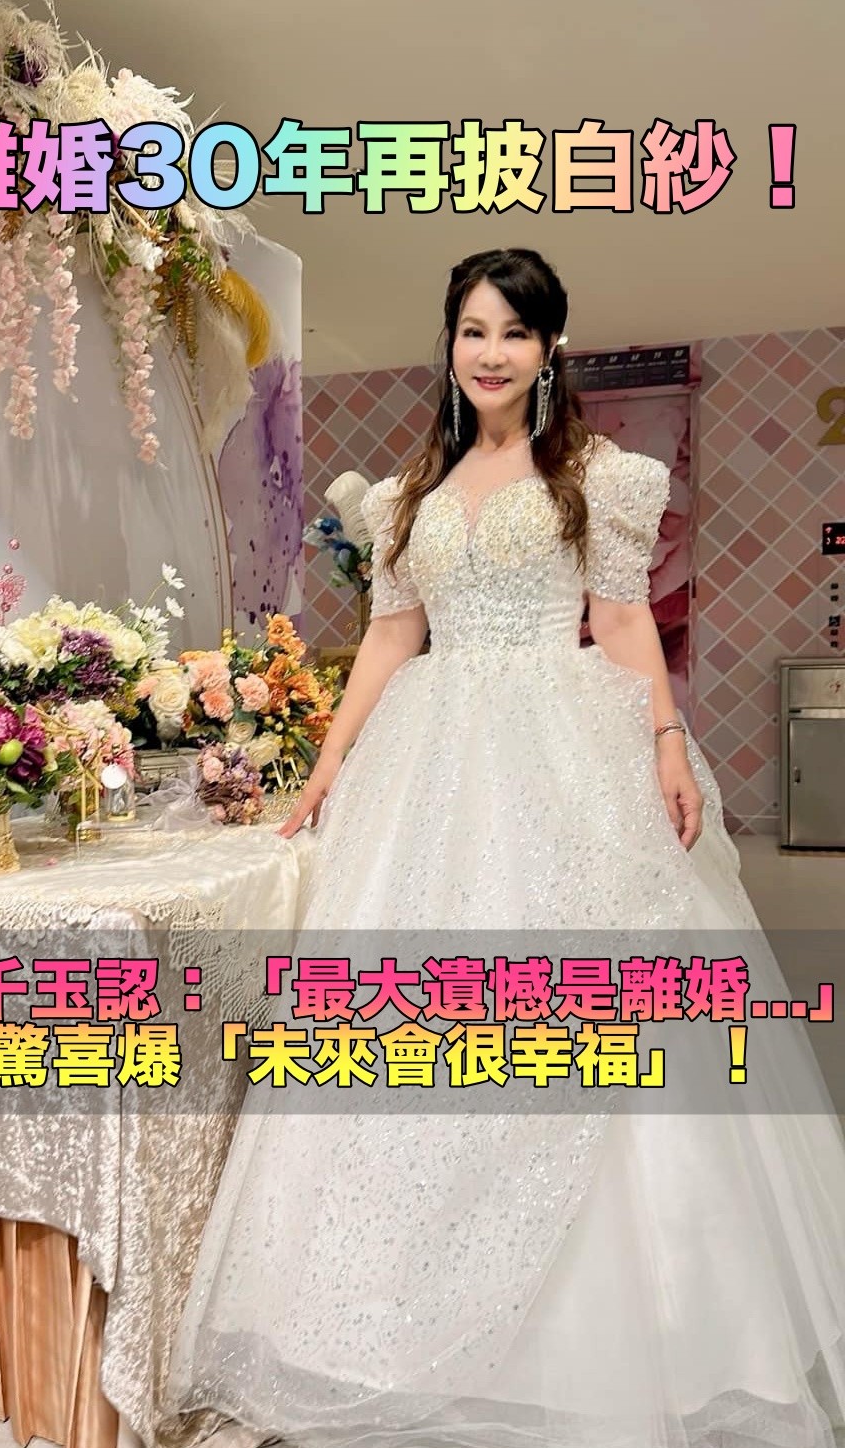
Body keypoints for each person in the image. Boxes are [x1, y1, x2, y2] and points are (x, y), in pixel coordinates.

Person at [167, 250, 845, 1448]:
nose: (492, 352)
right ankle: (383, 1310)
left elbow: (624, 621)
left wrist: (668, 740)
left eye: (516, 333)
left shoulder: (601, 476)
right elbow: (391, 636)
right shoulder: (405, 495)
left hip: (564, 746)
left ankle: (620, 1338)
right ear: (450, 342)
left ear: (549, 349)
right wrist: (328, 763)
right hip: (430, 762)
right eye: (474, 330)